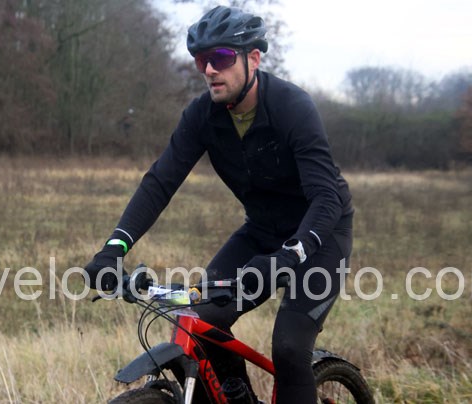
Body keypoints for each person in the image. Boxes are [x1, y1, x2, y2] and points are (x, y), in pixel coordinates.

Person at [84, 5, 354, 403]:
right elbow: (160, 182)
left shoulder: (292, 107)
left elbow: (326, 197)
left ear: (253, 59)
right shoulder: (202, 116)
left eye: (222, 57)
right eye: (201, 60)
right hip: (262, 231)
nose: (210, 69)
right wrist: (113, 248)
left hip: (320, 237)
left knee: (289, 347)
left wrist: (288, 256)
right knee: (201, 320)